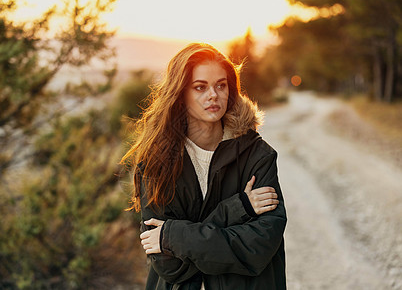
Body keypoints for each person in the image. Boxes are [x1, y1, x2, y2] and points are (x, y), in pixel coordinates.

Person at [121, 43, 286, 289]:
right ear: (180, 93)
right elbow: (169, 266)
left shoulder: (258, 156)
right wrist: (238, 209)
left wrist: (175, 237)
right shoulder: (156, 162)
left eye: (221, 85)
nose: (213, 95)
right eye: (200, 87)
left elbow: (259, 247)